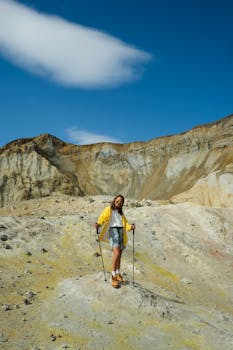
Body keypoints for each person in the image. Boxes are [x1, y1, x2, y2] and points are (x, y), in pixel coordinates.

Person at [95, 194, 135, 288]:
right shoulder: (108, 209)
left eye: (121, 202)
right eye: (117, 201)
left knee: (119, 254)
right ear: (114, 200)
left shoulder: (121, 213)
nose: (119, 203)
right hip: (113, 231)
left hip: (121, 231)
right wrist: (98, 224)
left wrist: (131, 227)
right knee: (116, 253)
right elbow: (102, 218)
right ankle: (113, 276)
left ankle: (118, 273)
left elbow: (125, 224)